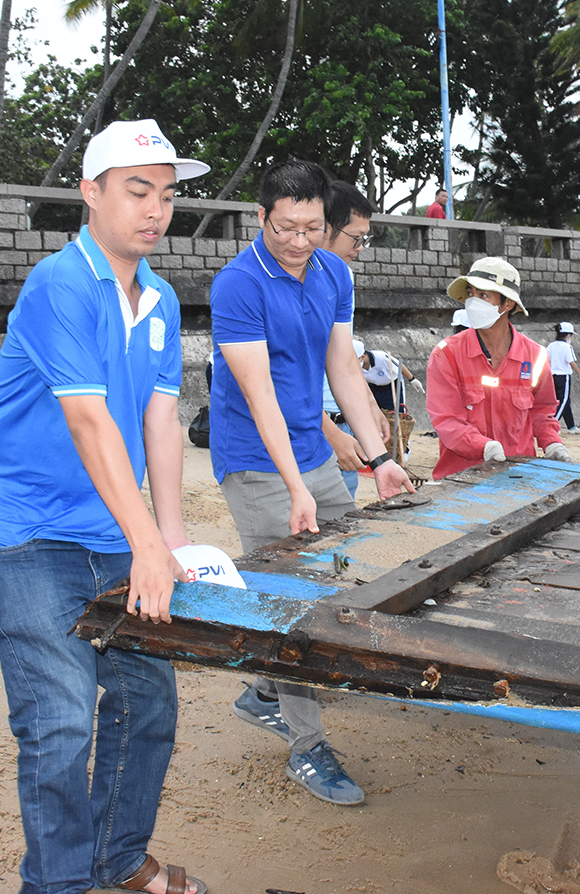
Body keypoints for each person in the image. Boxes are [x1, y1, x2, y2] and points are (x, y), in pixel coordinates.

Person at [0, 119, 209, 894]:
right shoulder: (58, 285)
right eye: (138, 191)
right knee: (61, 717)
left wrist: (168, 540)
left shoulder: (162, 297)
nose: (155, 211)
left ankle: (118, 858)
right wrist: (143, 539)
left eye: (167, 196)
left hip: (115, 524)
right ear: (91, 193)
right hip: (26, 526)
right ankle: (59, 885)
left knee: (148, 702)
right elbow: (89, 418)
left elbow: (160, 421)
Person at [209, 159, 415, 807]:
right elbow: (260, 393)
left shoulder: (335, 272)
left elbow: (344, 372)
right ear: (261, 217)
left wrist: (380, 459)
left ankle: (265, 687)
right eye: (285, 228)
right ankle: (306, 746)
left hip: (310, 449)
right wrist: (296, 485)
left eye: (312, 227)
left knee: (341, 574)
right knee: (291, 601)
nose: (299, 241)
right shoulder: (237, 284)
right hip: (254, 456)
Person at [425, 256, 572, 479]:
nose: (474, 301)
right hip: (462, 479)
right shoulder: (447, 354)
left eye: (483, 295)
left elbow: (542, 412)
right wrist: (483, 447)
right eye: (471, 293)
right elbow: (447, 420)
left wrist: (552, 443)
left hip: (518, 475)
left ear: (508, 304)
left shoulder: (536, 356)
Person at [317, 179, 389, 499]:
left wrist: (370, 405)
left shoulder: (342, 276)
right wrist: (330, 434)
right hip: (307, 430)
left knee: (340, 530)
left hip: (343, 425)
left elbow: (343, 358)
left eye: (365, 239)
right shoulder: (279, 281)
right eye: (356, 238)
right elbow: (274, 382)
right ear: (325, 228)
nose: (360, 248)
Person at [547, 321, 580, 433]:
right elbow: (571, 362)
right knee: (564, 400)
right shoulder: (567, 347)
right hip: (564, 376)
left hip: (553, 376)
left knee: (564, 401)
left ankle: (571, 426)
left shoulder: (551, 345)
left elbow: (546, 358)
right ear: (568, 335)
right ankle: (553, 423)